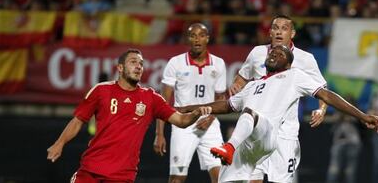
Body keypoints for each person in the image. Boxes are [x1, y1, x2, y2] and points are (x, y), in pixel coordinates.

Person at [179, 45, 378, 183]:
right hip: (248, 141)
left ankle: (228, 147)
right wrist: (192, 108)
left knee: (250, 114)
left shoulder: (294, 76)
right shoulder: (253, 86)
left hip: (268, 135)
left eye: (280, 54)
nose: (273, 54)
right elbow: (226, 106)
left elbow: (327, 95)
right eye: (272, 53)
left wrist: (362, 115)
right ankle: (231, 149)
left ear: (288, 63)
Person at [46, 49, 212, 183]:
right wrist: (59, 143)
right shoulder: (101, 91)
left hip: (122, 175)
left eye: (141, 64)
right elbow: (77, 121)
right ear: (120, 68)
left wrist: (196, 113)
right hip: (90, 170)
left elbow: (181, 121)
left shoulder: (151, 98)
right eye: (133, 62)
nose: (139, 66)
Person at [229, 14, 328, 183]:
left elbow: (322, 88)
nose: (279, 32)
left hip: (285, 133)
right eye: (275, 28)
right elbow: (242, 77)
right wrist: (236, 86)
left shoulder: (305, 59)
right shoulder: (257, 53)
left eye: (284, 28)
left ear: (293, 33)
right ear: (270, 32)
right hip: (257, 131)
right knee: (253, 179)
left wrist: (321, 109)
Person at [153, 23, 227, 183]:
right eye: (193, 35)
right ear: (188, 39)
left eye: (201, 35)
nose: (197, 39)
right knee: (177, 177)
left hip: (210, 124)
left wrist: (211, 118)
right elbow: (163, 102)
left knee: (220, 176)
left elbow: (221, 98)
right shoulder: (176, 63)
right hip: (183, 124)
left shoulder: (219, 63)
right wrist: (159, 134)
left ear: (207, 38)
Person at [325, 96, 362, 183]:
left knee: (350, 170)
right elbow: (332, 125)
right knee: (334, 169)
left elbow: (362, 128)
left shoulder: (358, 114)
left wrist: (352, 118)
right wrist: (340, 116)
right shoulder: (338, 113)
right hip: (339, 143)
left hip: (353, 143)